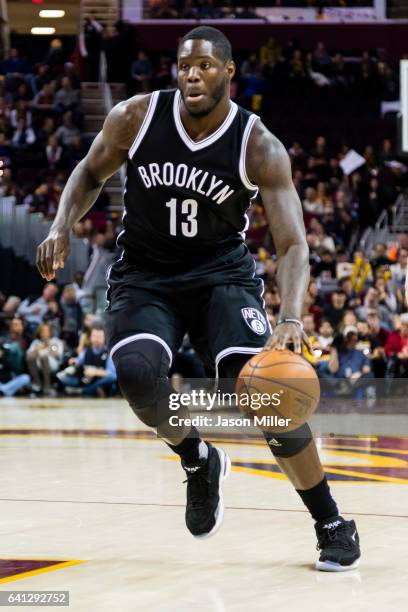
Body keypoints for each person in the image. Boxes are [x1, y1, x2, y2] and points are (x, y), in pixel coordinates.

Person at [36, 26, 360, 571]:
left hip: (221, 277)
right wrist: (61, 224)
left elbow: (293, 244)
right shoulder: (135, 118)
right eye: (185, 66)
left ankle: (330, 519)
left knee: (268, 394)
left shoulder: (258, 144)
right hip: (145, 274)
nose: (192, 75)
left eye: (205, 66)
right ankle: (198, 458)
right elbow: (89, 172)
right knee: (138, 375)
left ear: (228, 73)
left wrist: (290, 317)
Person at [26, 323, 64, 396]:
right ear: (39, 333)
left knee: (44, 357)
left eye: (46, 331)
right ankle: (37, 384)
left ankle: (47, 386)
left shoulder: (55, 341)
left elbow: (59, 355)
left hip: (52, 363)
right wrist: (37, 349)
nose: (45, 333)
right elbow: (28, 355)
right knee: (30, 358)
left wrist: (49, 346)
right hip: (38, 363)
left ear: (50, 332)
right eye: (43, 331)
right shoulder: (36, 342)